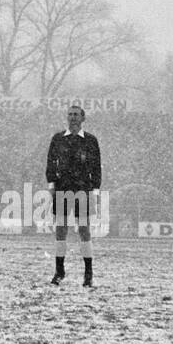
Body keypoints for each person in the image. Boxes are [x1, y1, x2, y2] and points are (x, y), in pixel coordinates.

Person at [45, 104, 102, 287]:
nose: (73, 118)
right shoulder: (58, 138)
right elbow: (51, 162)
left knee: (84, 230)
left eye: (76, 115)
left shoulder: (91, 140)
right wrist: (52, 183)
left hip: (82, 188)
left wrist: (96, 189)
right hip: (62, 188)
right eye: (70, 114)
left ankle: (88, 273)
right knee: (61, 229)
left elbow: (96, 166)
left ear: (83, 118)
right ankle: (59, 271)